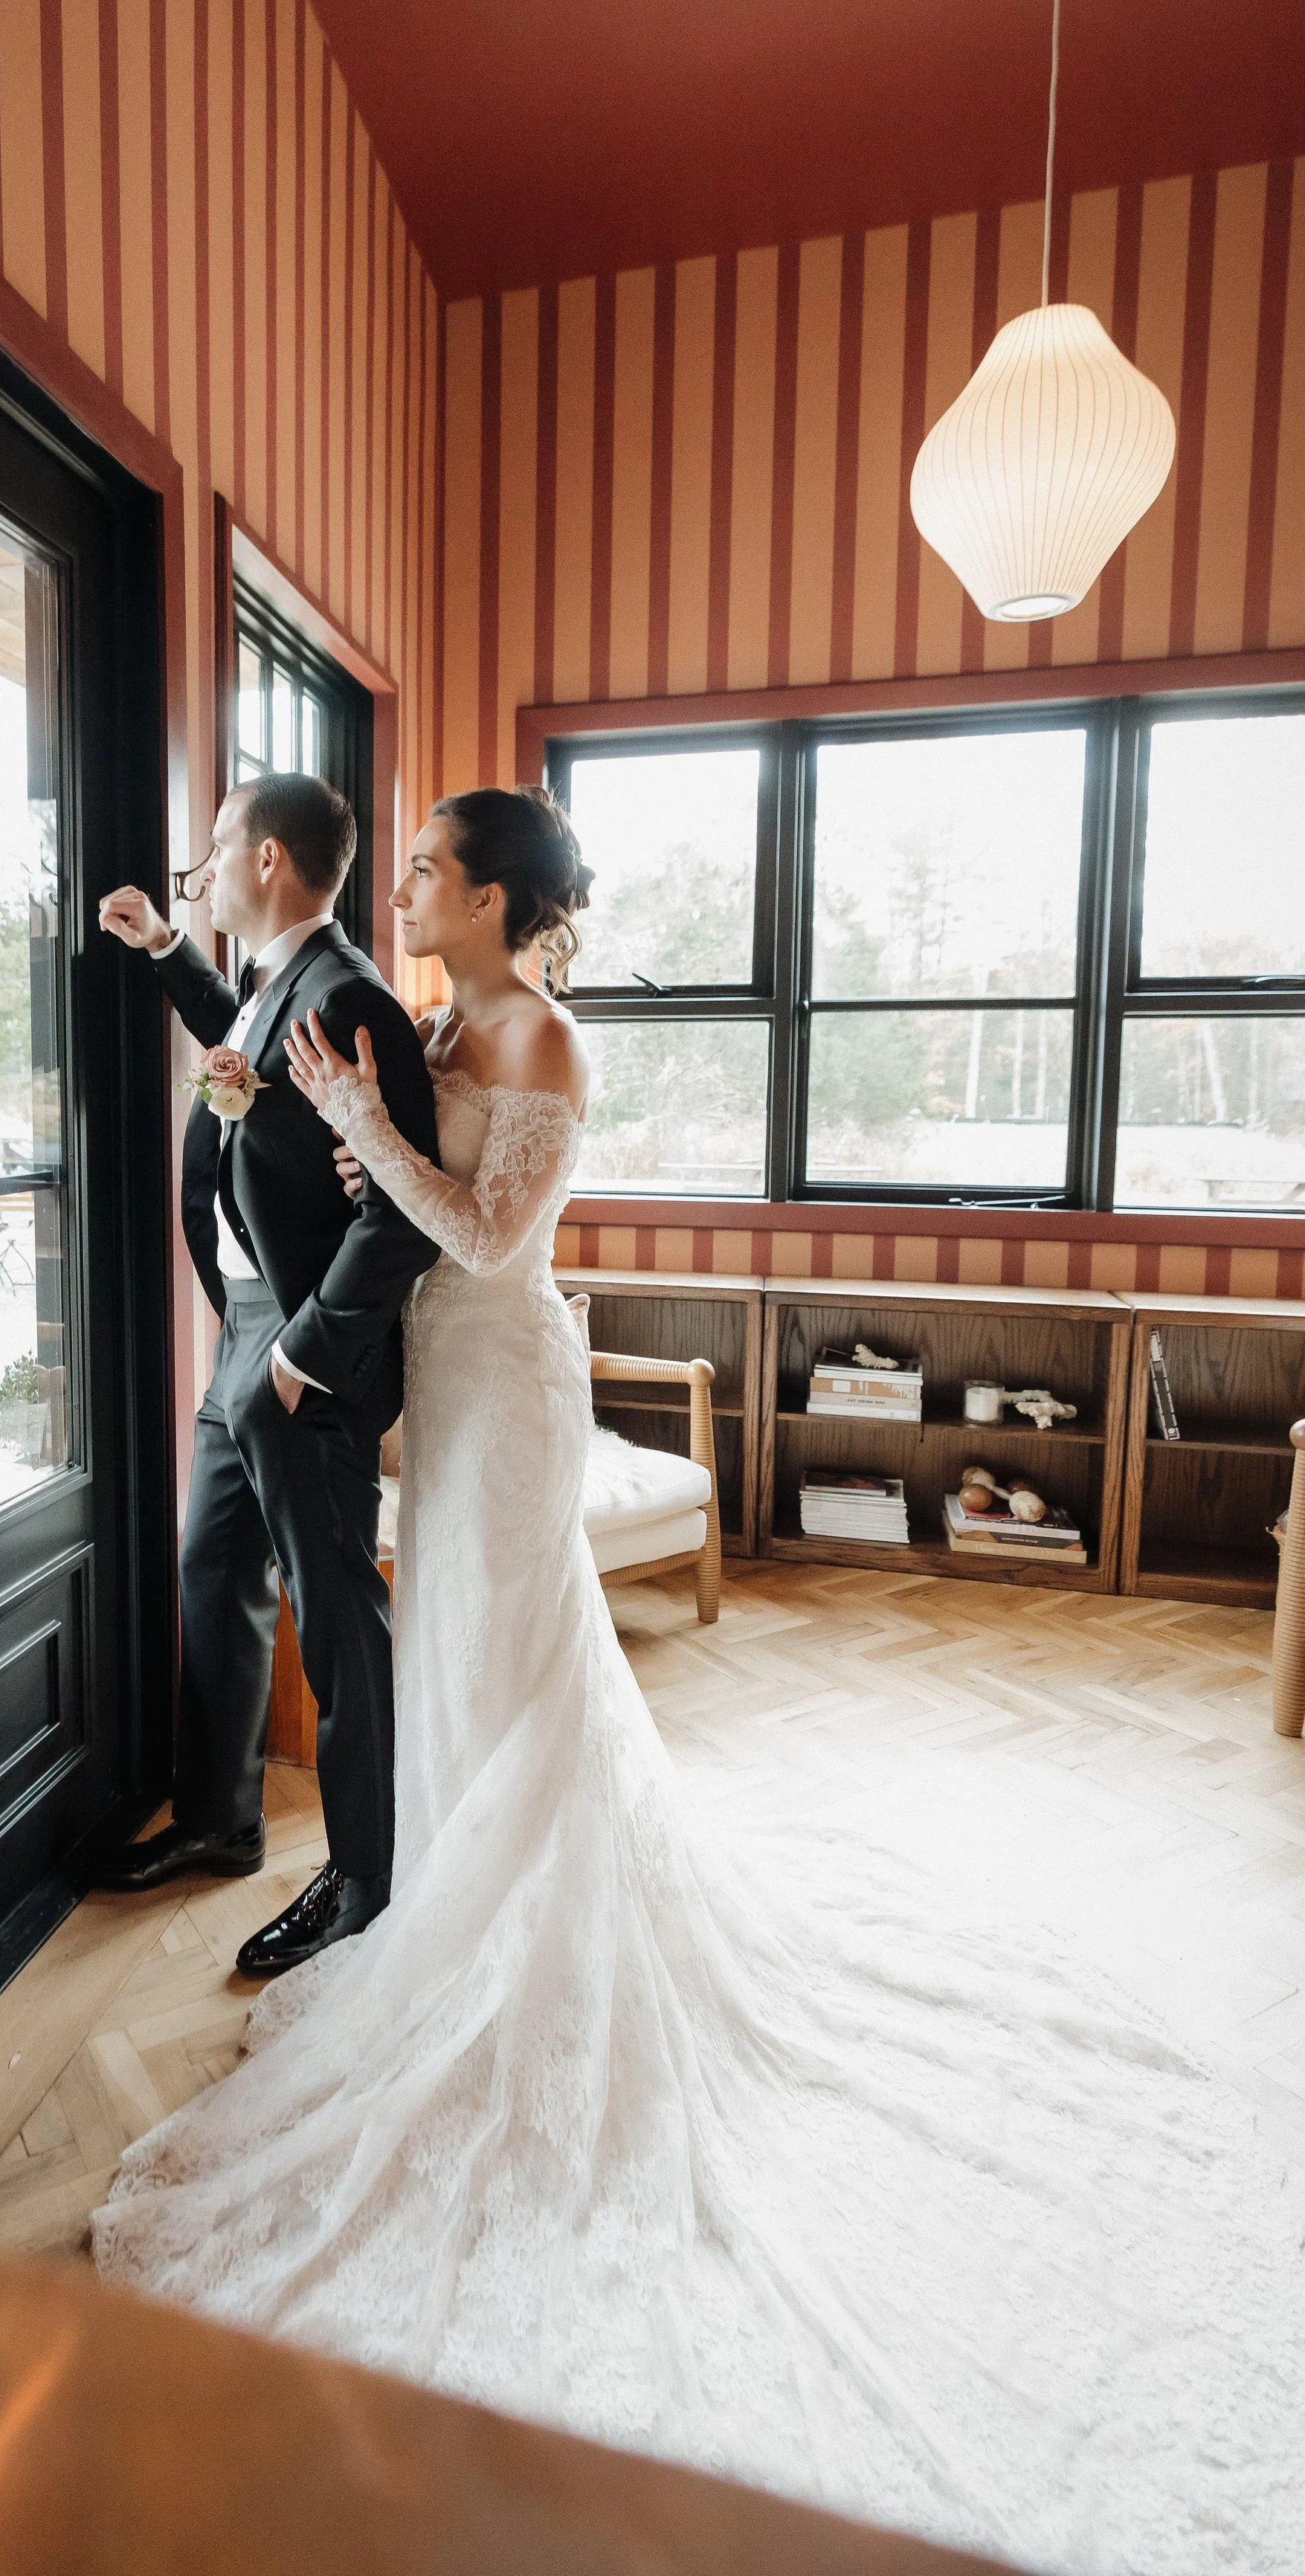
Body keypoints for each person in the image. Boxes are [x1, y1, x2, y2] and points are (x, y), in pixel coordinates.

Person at [94, 782, 1305, 2576]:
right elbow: (376, 1193)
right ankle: (429, 1904)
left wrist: (362, 1124)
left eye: (432, 866)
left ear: (498, 897)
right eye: (404, 862)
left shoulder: (543, 1040)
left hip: (504, 1388)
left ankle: (510, 1942)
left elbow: (488, 1241)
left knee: (504, 1652)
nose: (410, 881)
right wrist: (345, 1127)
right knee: (452, 1661)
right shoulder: (433, 1018)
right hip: (438, 1382)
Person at [96, 773, 441, 1977]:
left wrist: (301, 1356)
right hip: (245, 1327)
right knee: (213, 1569)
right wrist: (164, 952)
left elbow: (397, 1213)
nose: (202, 863)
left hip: (306, 1353)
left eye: (217, 844)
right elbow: (248, 1068)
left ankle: (361, 1878)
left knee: (336, 1616)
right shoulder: (272, 985)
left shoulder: (354, 998)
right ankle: (221, 1819)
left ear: (272, 859)